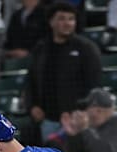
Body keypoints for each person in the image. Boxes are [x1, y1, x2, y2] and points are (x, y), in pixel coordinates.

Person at [24, 1, 102, 139]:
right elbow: (30, 81)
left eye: (71, 19)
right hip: (48, 119)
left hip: (77, 119)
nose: (67, 23)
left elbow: (94, 83)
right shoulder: (41, 49)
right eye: (61, 18)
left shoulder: (86, 48)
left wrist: (82, 110)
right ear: (51, 22)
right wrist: (32, 106)